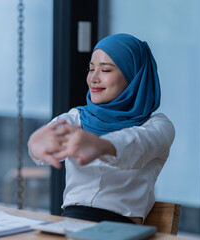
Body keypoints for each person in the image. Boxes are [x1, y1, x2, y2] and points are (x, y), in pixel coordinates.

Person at [27, 33, 175, 225]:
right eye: (91, 69)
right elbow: (47, 143)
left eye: (105, 70)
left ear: (133, 75)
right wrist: (35, 146)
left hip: (120, 229)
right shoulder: (75, 118)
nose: (93, 79)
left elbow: (135, 145)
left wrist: (100, 145)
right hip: (70, 223)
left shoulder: (158, 126)